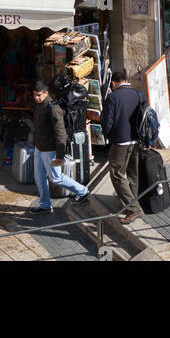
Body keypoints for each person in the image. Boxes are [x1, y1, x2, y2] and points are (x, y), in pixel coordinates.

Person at [29, 81, 89, 212]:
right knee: (39, 177)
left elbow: (61, 133)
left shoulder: (54, 109)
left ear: (46, 93)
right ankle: (45, 205)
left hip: (50, 150)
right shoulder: (39, 105)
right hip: (39, 147)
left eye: (38, 95)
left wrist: (60, 156)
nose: (36, 97)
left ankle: (83, 191)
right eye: (34, 94)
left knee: (56, 177)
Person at [100, 69, 143, 224]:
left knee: (117, 174)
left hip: (120, 141)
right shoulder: (137, 94)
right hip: (135, 140)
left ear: (113, 83)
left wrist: (108, 136)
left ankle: (133, 207)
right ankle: (129, 201)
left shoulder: (112, 97)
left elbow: (107, 122)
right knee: (132, 173)